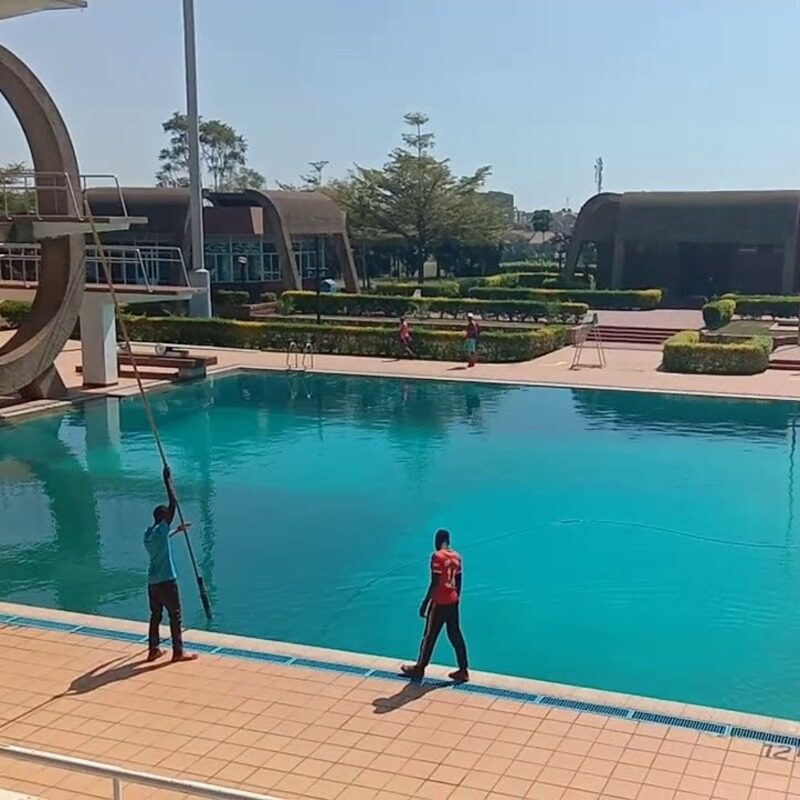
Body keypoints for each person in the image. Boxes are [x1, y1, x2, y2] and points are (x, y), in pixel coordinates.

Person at [144, 465, 197, 664]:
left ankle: (153, 650)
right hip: (167, 580)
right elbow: (173, 503)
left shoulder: (149, 534)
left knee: (155, 615)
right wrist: (168, 480)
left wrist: (176, 530)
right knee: (175, 615)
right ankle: (178, 652)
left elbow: (162, 540)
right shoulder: (161, 529)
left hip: (152, 583)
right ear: (164, 518)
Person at [401, 528, 469, 682]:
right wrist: (455, 599)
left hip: (439, 602)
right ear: (449, 541)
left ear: (437, 541)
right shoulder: (457, 557)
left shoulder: (437, 557)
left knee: (429, 636)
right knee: (455, 634)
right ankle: (463, 670)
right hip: (453, 601)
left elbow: (435, 582)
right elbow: (458, 583)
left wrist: (425, 603)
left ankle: (420, 667)